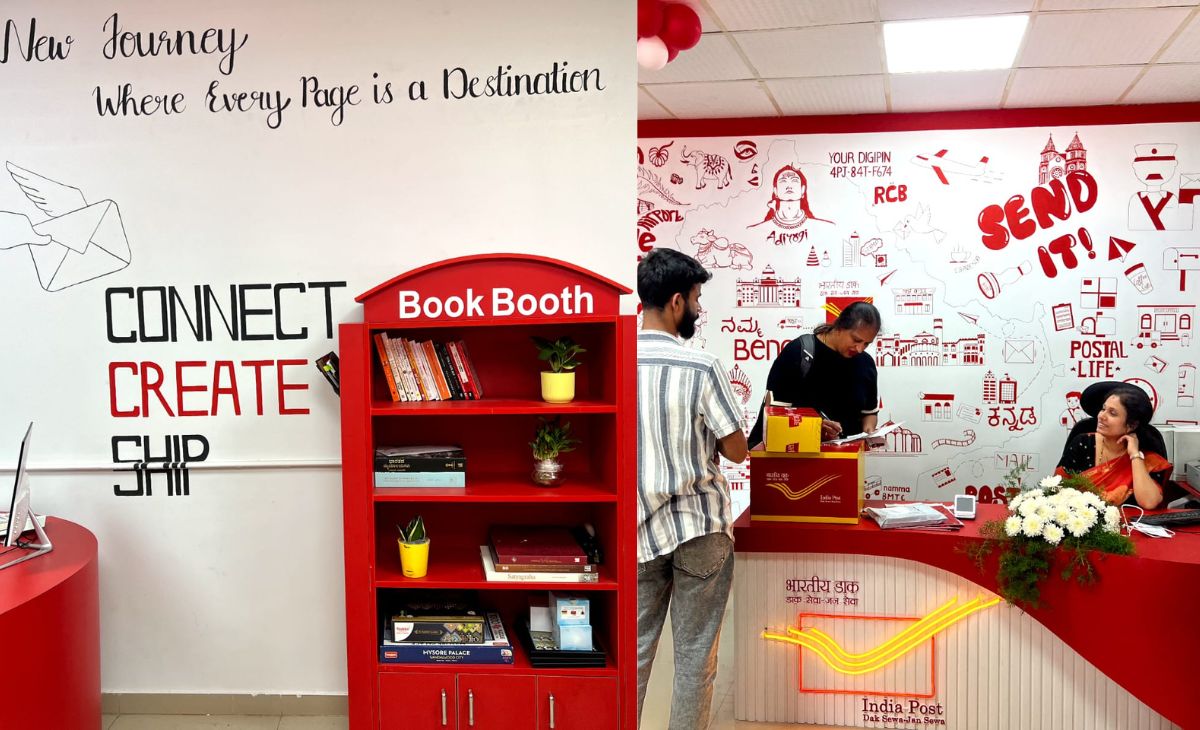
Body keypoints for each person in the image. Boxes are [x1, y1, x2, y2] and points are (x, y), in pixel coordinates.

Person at [635, 247, 747, 730]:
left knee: (633, 656)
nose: (699, 309)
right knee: (695, 660)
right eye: (697, 299)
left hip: (636, 531)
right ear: (677, 301)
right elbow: (737, 450)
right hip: (700, 527)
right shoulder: (701, 366)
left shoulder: (614, 362)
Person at [748, 301, 881, 447]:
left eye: (867, 344)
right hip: (796, 456)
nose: (860, 348)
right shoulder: (799, 353)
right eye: (856, 340)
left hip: (846, 458)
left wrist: (869, 432)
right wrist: (814, 427)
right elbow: (774, 416)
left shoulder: (866, 363)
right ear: (840, 327)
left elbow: (869, 413)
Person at [1056, 384, 1171, 509]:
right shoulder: (1082, 443)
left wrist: (1134, 455)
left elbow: (1149, 503)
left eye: (1112, 413)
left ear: (1131, 425)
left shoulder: (1148, 458)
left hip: (1129, 520)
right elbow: (1056, 490)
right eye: (1103, 409)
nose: (1101, 416)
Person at [748, 165, 833, 229]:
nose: (789, 186)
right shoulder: (756, 230)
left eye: (794, 181)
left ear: (803, 190)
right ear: (775, 191)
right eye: (783, 181)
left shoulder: (824, 227)